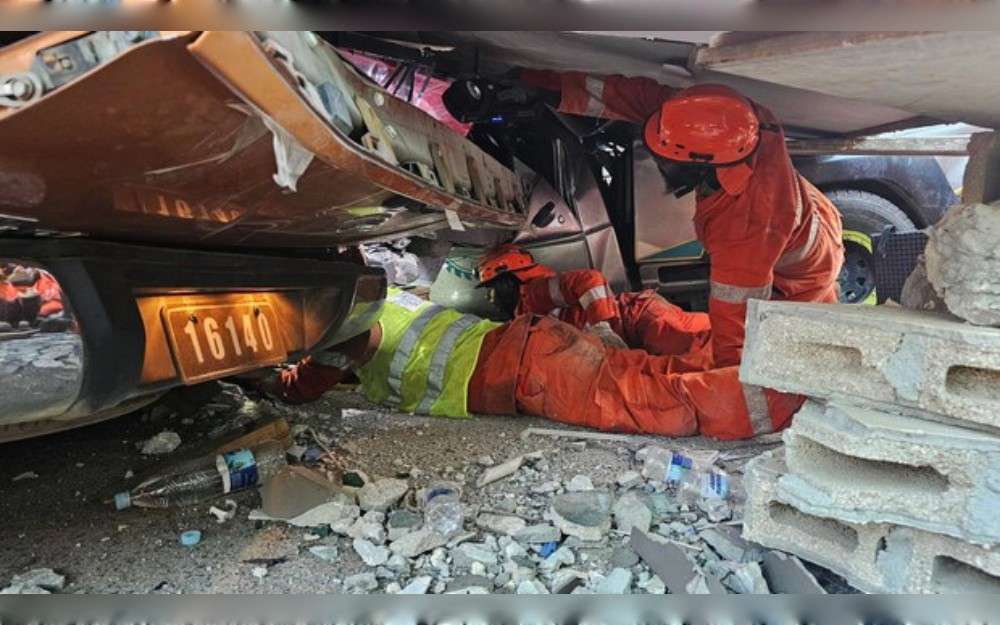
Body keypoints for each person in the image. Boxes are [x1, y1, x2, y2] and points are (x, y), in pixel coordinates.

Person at [511, 73, 845, 369]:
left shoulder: (747, 225)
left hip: (803, 281)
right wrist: (544, 85)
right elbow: (627, 95)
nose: (660, 164)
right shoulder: (721, 120)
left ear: (705, 165)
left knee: (791, 354)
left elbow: (735, 325)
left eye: (667, 161)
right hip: (812, 218)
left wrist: (728, 378)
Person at [260, 288, 801, 440]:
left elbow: (302, 388)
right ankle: (788, 355)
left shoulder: (343, 334)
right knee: (656, 377)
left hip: (526, 372)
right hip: (535, 347)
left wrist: (260, 371)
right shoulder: (392, 294)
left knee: (662, 403)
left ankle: (796, 392)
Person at [477, 243, 711, 363]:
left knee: (699, 349)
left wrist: (602, 327)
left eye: (491, 290)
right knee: (699, 351)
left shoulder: (533, 293)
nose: (490, 299)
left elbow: (591, 279)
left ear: (507, 283)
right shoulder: (526, 307)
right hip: (638, 322)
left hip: (639, 317)